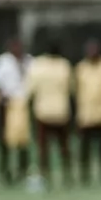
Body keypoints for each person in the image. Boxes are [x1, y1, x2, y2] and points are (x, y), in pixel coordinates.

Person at [27, 42, 76, 188]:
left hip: (43, 112)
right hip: (61, 112)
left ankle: (44, 176)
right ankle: (67, 176)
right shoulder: (64, 66)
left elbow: (30, 89)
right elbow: (71, 88)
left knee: (43, 149)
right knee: (64, 148)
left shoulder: (38, 65)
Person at [0, 37, 32, 187]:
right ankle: (5, 172)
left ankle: (23, 171)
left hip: (24, 106)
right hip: (7, 105)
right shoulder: (2, 62)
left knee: (23, 142)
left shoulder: (29, 61)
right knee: (5, 141)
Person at [74, 39, 101, 184]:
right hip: (86, 115)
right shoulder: (81, 68)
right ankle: (85, 175)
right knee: (85, 149)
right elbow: (76, 91)